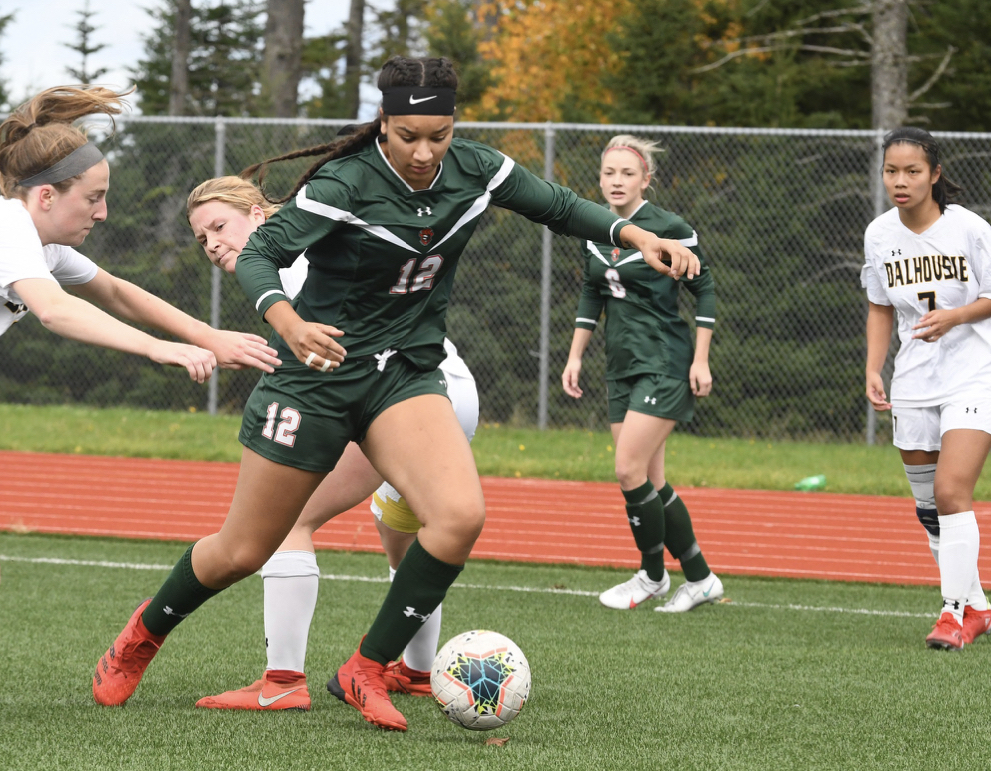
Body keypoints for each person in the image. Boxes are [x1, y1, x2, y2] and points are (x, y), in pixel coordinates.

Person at [92, 56, 699, 732]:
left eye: (438, 134)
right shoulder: (344, 182)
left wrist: (635, 233)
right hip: (315, 380)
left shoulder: (479, 169)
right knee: (242, 550)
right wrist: (286, 319)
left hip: (403, 372)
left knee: (460, 517)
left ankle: (367, 665)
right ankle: (143, 634)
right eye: (408, 134)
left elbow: (558, 206)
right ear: (383, 123)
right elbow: (262, 253)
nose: (424, 150)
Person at [0, 85, 280, 727]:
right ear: (45, 196)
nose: (104, 211)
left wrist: (210, 338)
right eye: (92, 197)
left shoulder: (33, 243)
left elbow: (116, 290)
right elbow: (58, 311)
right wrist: (160, 351)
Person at [183, 175, 480, 710]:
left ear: (258, 214)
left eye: (219, 226)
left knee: (289, 520)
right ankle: (415, 671)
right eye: (202, 239)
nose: (212, 245)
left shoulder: (294, 264)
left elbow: (336, 372)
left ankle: (282, 683)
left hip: (409, 396)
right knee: (405, 535)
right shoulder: (318, 246)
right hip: (452, 391)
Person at [561, 135, 721, 613]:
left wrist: (700, 358)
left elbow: (705, 288)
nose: (616, 181)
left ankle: (652, 575)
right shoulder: (597, 229)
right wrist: (574, 356)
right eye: (609, 172)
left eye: (627, 173)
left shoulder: (669, 228)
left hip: (665, 363)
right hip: (622, 366)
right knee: (649, 478)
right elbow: (593, 293)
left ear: (645, 180)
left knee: (628, 470)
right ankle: (700, 577)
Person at [863, 126, 991, 651]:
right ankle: (979, 606)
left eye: (912, 171)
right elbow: (879, 304)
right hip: (914, 378)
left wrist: (956, 316)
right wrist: (874, 366)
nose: (900, 180)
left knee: (950, 492)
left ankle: (952, 613)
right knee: (927, 508)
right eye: (892, 170)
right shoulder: (878, 234)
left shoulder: (970, 229)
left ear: (934, 175)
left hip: (974, 370)